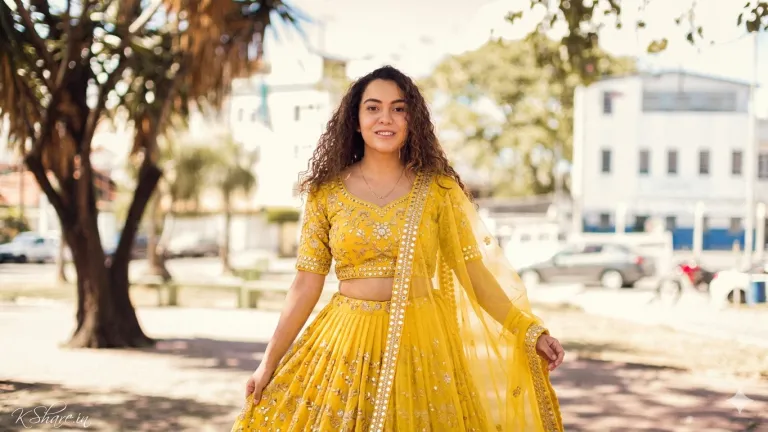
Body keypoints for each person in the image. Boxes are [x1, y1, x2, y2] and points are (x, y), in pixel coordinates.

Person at [231, 65, 565, 432]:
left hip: (423, 344)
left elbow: (474, 273)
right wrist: (268, 362)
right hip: (347, 343)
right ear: (355, 122)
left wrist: (529, 330)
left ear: (412, 119)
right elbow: (306, 284)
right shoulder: (325, 193)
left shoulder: (438, 191)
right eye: (372, 108)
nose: (385, 118)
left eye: (398, 108)